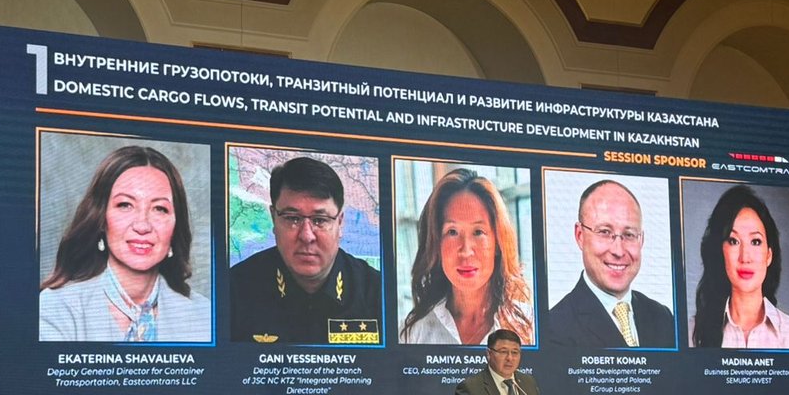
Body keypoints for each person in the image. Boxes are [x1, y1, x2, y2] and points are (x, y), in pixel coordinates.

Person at [39, 146, 210, 341]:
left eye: (159, 209)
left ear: (175, 226)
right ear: (101, 219)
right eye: (125, 205)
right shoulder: (56, 308)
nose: (142, 226)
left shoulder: (204, 315)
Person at [229, 156, 381, 344]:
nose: (307, 236)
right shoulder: (233, 291)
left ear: (340, 223)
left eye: (320, 220)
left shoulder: (376, 293)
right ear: (273, 218)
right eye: (292, 218)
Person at [400, 169, 534, 344]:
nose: (466, 251)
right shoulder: (413, 333)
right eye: (452, 232)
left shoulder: (530, 327)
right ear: (436, 243)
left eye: (478, 232)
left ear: (498, 243)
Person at [546, 179, 674, 348]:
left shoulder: (663, 318)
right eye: (605, 232)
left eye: (629, 235)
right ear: (580, 236)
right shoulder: (554, 328)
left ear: (641, 240)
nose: (618, 251)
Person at [692, 185, 789, 348]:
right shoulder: (692, 332)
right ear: (720, 252)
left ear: (769, 255)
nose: (745, 257)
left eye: (755, 242)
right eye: (733, 241)